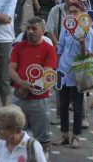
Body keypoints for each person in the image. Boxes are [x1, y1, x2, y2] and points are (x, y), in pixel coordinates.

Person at [9, 17, 57, 154]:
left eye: (34, 28)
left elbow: (47, 73)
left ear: (42, 30)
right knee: (16, 132)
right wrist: (20, 82)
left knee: (42, 136)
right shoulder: (18, 47)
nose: (30, 31)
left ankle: (43, 156)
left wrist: (25, 87)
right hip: (19, 97)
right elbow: (11, 68)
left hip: (39, 99)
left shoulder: (49, 49)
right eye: (28, 28)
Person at [55, 0, 93, 149]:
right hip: (63, 70)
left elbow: (86, 55)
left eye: (75, 12)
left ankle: (76, 136)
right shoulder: (65, 29)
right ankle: (64, 134)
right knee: (63, 105)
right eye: (70, 12)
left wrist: (82, 44)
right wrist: (57, 69)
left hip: (79, 71)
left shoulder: (87, 31)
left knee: (77, 107)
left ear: (82, 13)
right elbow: (60, 49)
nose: (72, 15)